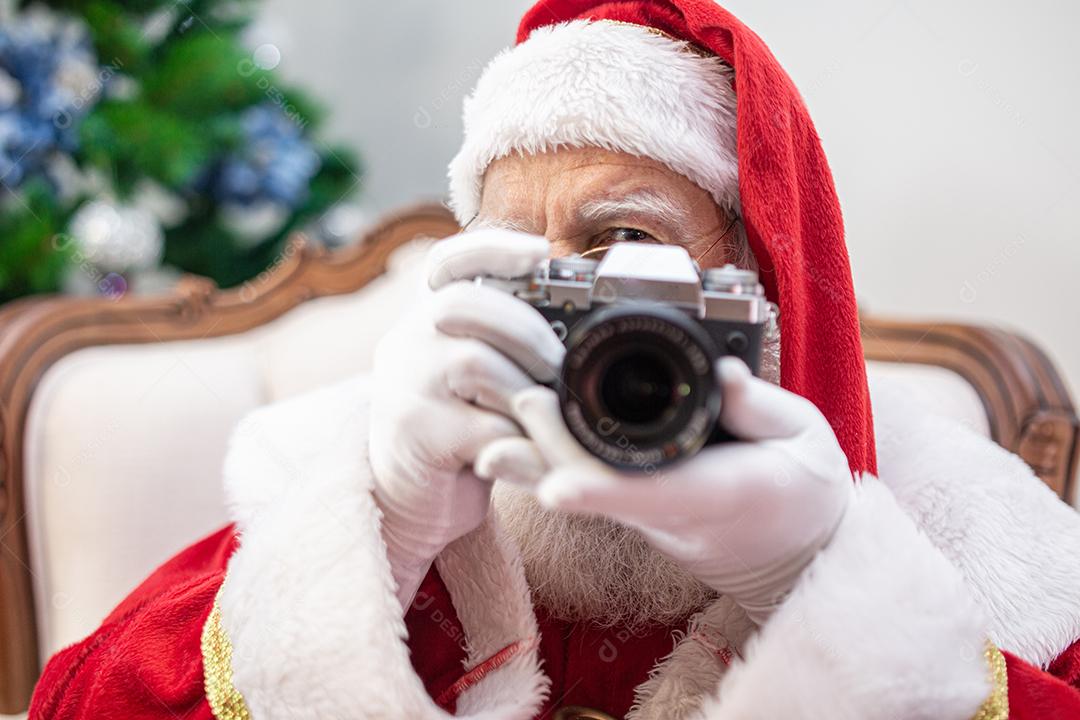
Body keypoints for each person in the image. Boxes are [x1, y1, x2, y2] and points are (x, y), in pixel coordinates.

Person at [29, 1, 1080, 718]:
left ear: (765, 292)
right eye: (521, 265)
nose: (567, 321)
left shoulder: (979, 553)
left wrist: (819, 585)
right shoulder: (360, 479)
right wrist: (377, 541)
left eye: (624, 246)